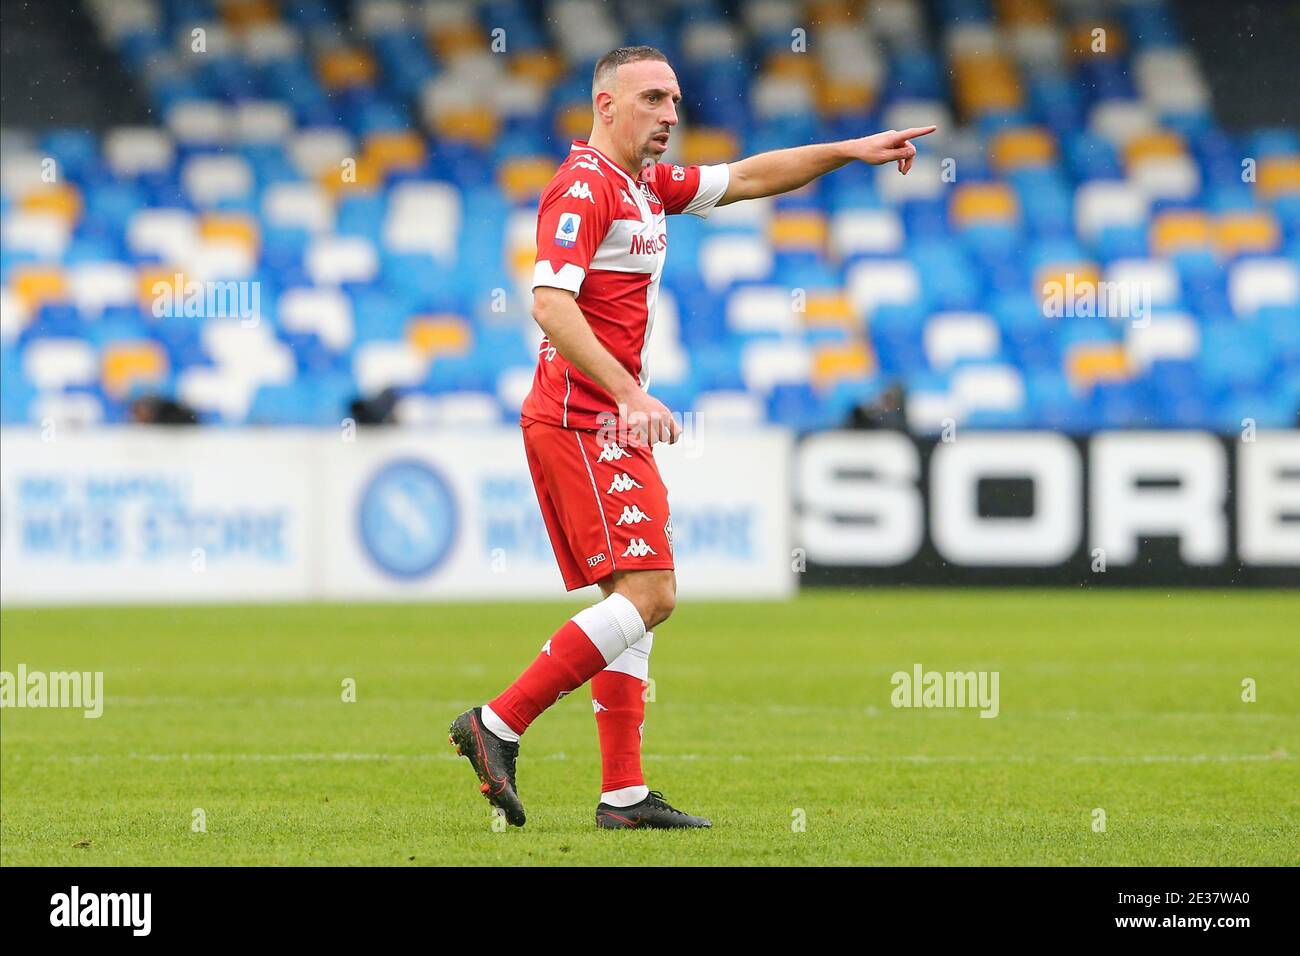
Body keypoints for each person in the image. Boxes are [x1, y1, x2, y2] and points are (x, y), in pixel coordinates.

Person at [450, 45, 935, 829]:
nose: (671, 115)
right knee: (651, 593)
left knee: (633, 598)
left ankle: (624, 796)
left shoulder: (644, 185)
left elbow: (747, 177)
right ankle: (496, 724)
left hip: (606, 419)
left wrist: (848, 152)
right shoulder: (584, 187)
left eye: (675, 99)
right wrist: (629, 390)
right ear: (605, 105)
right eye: (652, 99)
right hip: (582, 419)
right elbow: (547, 303)